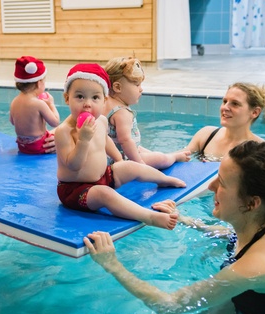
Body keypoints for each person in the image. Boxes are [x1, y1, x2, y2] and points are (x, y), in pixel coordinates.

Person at [84, 140, 265, 314]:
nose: (211, 186)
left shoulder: (256, 266)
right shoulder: (264, 221)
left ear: (252, 203)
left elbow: (170, 305)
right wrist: (185, 220)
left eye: (221, 182)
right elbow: (231, 236)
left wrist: (112, 264)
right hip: (244, 306)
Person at [55, 63, 186, 230]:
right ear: (67, 98)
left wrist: (118, 160)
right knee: (105, 194)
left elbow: (106, 141)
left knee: (131, 166)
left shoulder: (101, 120)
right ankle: (149, 217)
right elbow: (73, 165)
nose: (87, 104)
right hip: (76, 190)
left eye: (95, 98)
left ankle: (164, 180)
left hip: (103, 177)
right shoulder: (64, 131)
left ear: (104, 100)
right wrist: (83, 140)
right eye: (80, 97)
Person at [103, 56, 191, 168]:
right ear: (117, 87)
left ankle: (169, 155)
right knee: (160, 159)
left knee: (144, 150)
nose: (141, 89)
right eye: (136, 85)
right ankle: (173, 158)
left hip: (113, 155)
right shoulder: (122, 112)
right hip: (123, 160)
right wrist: (141, 164)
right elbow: (125, 141)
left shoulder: (105, 102)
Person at [186, 82, 265, 161]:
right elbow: (181, 156)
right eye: (225, 101)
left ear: (254, 112)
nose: (225, 107)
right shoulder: (206, 136)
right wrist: (172, 157)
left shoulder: (262, 152)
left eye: (235, 104)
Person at [9, 56, 60, 154]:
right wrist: (51, 104)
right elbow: (55, 122)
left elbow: (12, 122)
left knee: (50, 131)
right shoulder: (39, 104)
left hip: (22, 146)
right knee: (62, 130)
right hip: (39, 146)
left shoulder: (14, 101)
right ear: (39, 83)